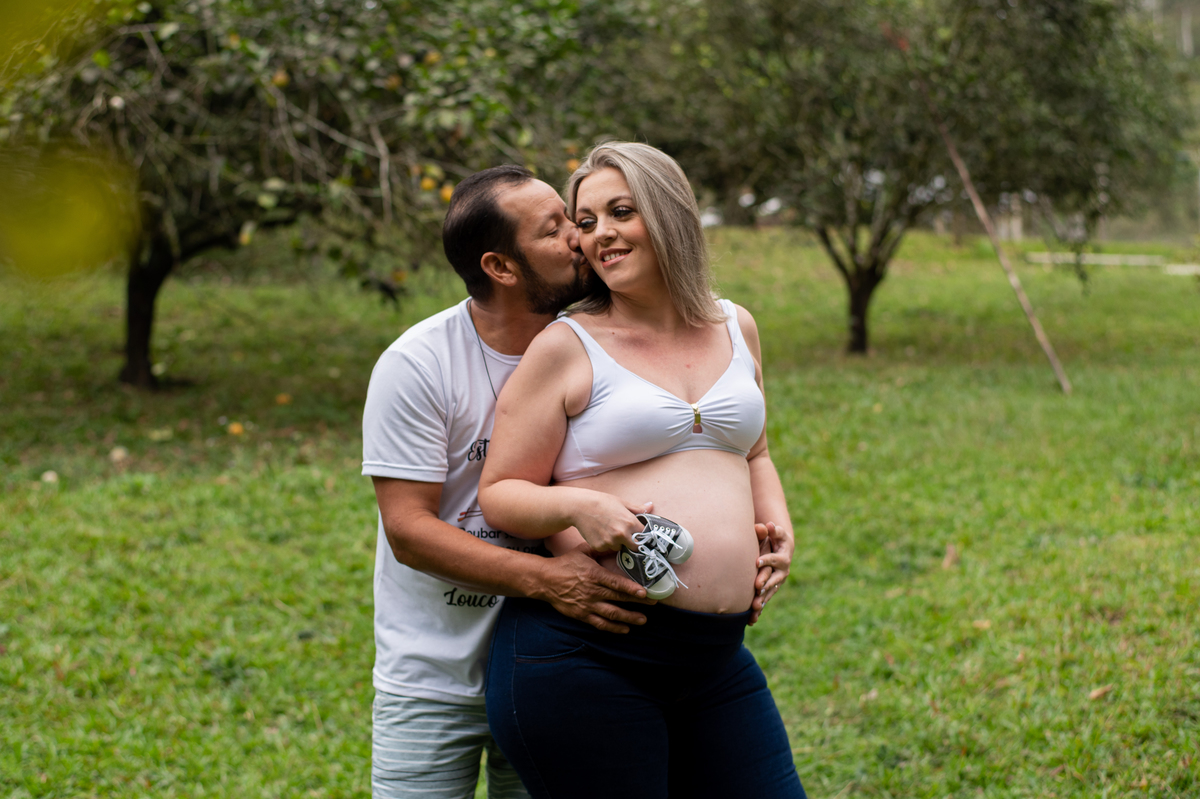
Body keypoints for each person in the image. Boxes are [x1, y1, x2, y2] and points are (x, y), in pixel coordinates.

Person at [361, 164, 792, 799]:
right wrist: (553, 572)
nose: (581, 238)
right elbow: (408, 531)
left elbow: (749, 450)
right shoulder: (423, 364)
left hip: (627, 638)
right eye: (562, 226)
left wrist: (769, 529)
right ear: (501, 267)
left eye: (581, 220)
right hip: (446, 668)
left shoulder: (618, 333)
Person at [478, 143, 806, 798]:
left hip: (714, 660)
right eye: (587, 221)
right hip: (588, 658)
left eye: (620, 212)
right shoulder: (567, 345)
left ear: (668, 211)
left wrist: (779, 529)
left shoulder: (735, 325)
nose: (600, 233)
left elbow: (754, 451)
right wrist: (579, 507)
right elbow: (501, 493)